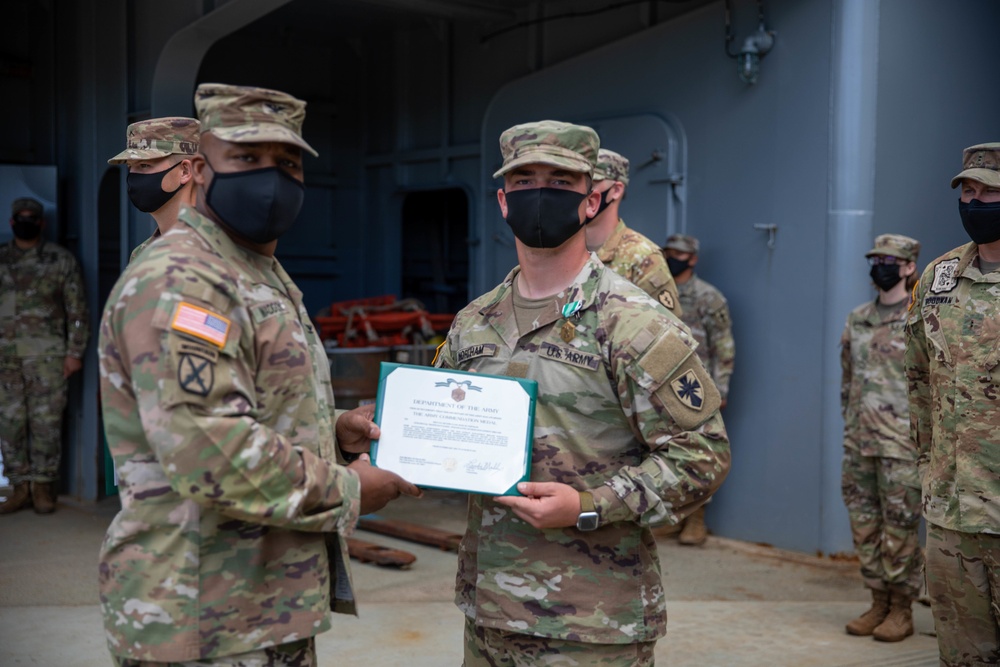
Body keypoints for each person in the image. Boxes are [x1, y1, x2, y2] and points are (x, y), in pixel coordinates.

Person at [98, 83, 420, 666]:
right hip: (201, 617)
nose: (270, 178)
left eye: (287, 162)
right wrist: (352, 490)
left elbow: (254, 404)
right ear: (197, 170)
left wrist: (334, 433)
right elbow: (210, 451)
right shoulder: (182, 279)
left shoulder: (254, 269)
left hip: (261, 607)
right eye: (246, 159)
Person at [433, 120, 730, 665]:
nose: (540, 193)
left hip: (593, 621)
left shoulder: (636, 323)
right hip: (489, 610)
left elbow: (703, 456)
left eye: (560, 181)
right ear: (502, 201)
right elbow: (439, 429)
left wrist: (590, 506)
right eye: (525, 181)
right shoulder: (473, 322)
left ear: (591, 201)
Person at [906, 142, 1000, 665]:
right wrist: (929, 469)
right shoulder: (938, 280)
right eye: (968, 189)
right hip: (952, 517)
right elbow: (918, 379)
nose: (976, 200)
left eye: (990, 191)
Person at [841, 233, 922, 642]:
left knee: (900, 529)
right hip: (859, 443)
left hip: (901, 447)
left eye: (891, 260)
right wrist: (849, 426)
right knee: (865, 526)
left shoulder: (920, 316)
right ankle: (878, 601)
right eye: (876, 258)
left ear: (909, 267)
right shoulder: (858, 317)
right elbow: (847, 378)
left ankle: (902, 609)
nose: (882, 266)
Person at [0, 197, 88, 515]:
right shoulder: (1, 258)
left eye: (31, 217)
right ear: (12, 223)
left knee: (46, 423)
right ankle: (19, 486)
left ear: (42, 223)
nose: (26, 222)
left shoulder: (60, 260)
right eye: (20, 217)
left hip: (48, 357)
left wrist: (74, 352)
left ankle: (43, 487)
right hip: (6, 358)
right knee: (10, 424)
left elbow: (77, 309)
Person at [661, 233, 735, 545]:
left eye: (679, 254)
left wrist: (721, 389)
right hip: (660, 383)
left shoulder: (709, 297)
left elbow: (724, 345)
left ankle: (696, 519)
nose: (672, 258)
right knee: (662, 449)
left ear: (692, 259)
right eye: (668, 252)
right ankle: (668, 516)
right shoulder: (655, 293)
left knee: (700, 453)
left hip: (696, 389)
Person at [585, 148, 681, 315]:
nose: (582, 192)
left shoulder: (642, 257)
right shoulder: (559, 247)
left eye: (591, 184)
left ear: (616, 190)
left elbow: (668, 331)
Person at [107, 116, 200, 262]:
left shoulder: (222, 249)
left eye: (144, 165)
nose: (133, 176)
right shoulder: (141, 254)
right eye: (130, 166)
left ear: (185, 171)